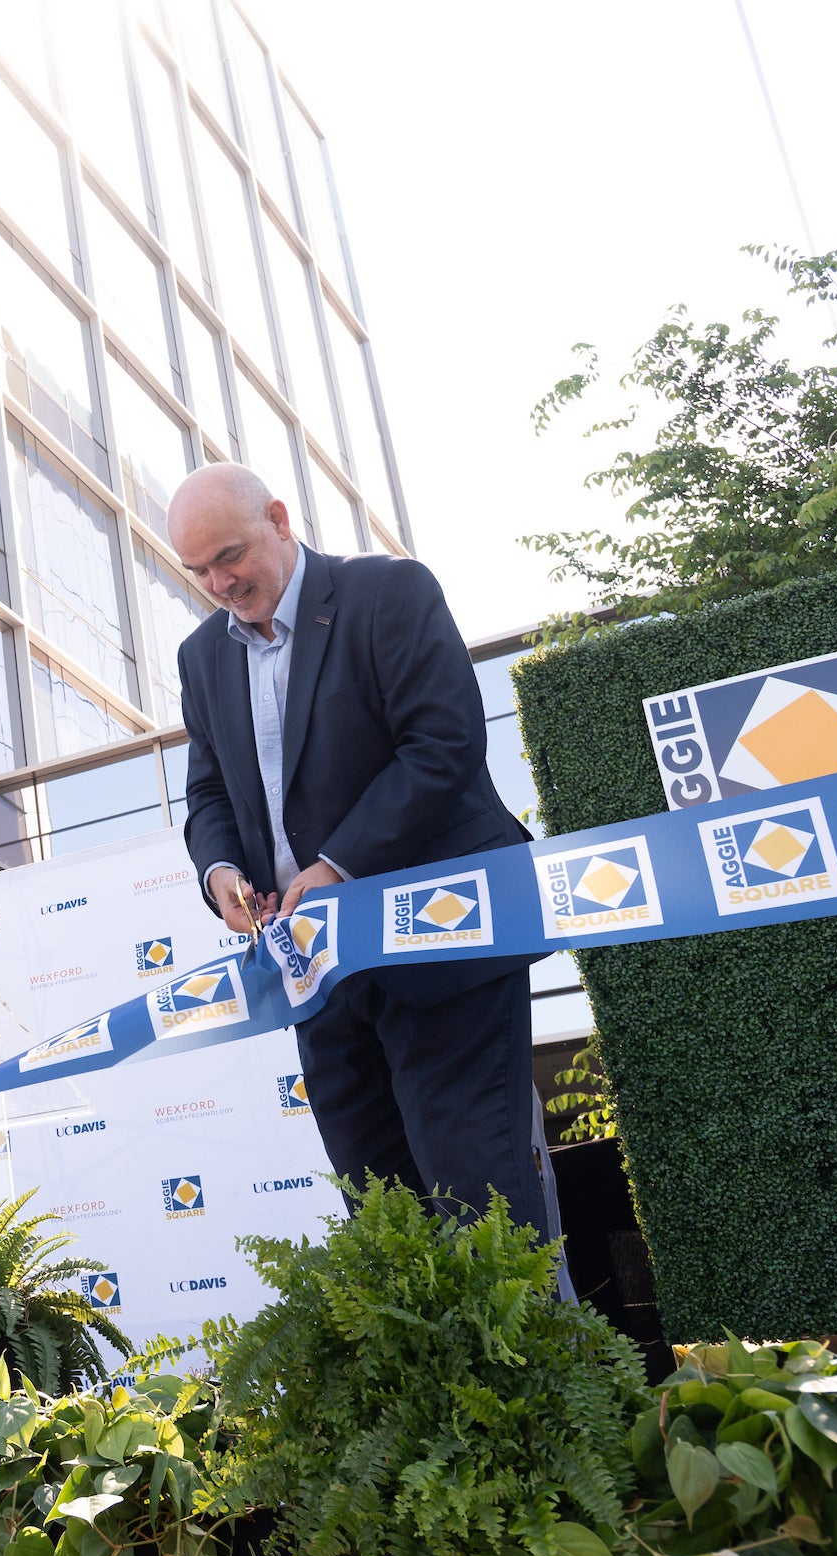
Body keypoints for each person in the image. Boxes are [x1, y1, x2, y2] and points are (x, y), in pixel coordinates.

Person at [167, 461, 562, 1242]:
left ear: (280, 520)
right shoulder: (200, 657)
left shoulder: (390, 593)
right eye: (198, 569)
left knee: (483, 1204)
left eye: (230, 555)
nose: (219, 581)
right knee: (382, 1219)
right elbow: (208, 793)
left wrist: (335, 866)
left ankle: (526, 1367)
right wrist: (221, 874)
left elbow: (443, 745)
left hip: (444, 943)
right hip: (318, 973)